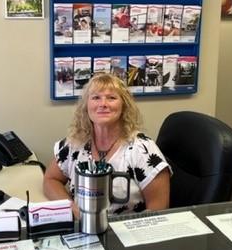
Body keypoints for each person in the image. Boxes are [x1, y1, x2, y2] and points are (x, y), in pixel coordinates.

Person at [43, 73, 171, 214]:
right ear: (86, 106)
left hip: (125, 231)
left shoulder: (142, 149)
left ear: (124, 106)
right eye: (96, 97)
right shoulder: (75, 144)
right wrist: (72, 208)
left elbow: (158, 210)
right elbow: (51, 179)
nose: (103, 104)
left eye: (111, 98)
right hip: (84, 227)